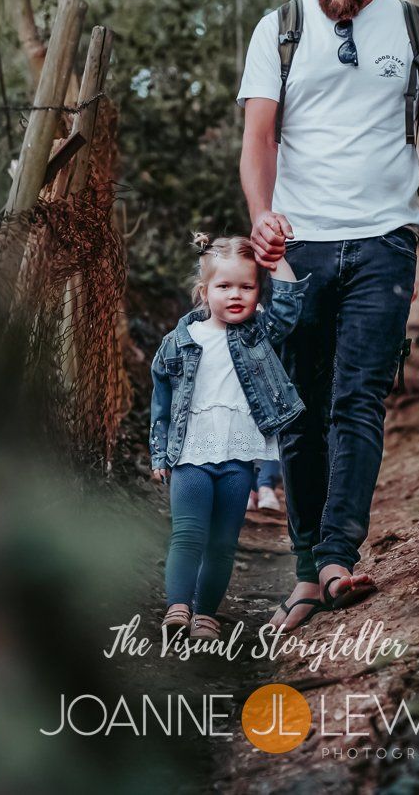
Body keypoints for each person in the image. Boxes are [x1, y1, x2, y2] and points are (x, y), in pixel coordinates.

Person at [237, 0, 419, 631]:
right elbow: (259, 140)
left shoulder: (418, 31)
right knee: (300, 411)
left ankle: (337, 557)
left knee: (358, 398)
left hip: (385, 242)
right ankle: (308, 571)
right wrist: (262, 218)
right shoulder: (278, 31)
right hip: (298, 249)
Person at [148, 233, 308, 640]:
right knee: (188, 534)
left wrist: (275, 258)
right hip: (190, 455)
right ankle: (178, 607)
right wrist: (159, 453)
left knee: (222, 543)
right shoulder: (178, 343)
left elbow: (288, 309)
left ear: (258, 291)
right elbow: (161, 403)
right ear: (204, 292)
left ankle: (205, 614)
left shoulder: (257, 334)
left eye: (247, 287)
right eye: (224, 286)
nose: (235, 295)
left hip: (238, 458)